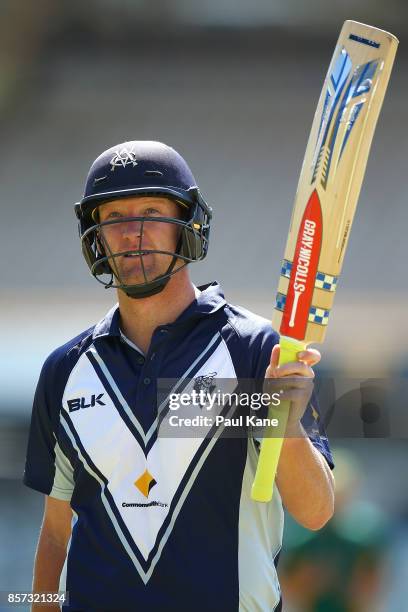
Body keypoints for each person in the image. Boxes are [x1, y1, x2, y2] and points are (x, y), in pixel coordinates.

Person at [24, 141, 335, 612]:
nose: (132, 233)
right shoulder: (64, 370)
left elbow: (315, 512)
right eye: (114, 217)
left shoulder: (255, 350)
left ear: (188, 224)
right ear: (97, 235)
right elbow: (54, 534)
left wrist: (285, 431)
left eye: (150, 211)